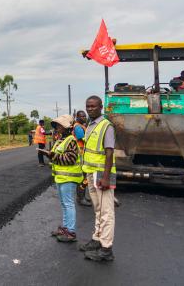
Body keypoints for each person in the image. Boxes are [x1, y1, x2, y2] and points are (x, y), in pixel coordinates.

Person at [79, 95, 117, 262]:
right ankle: (97, 239)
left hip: (102, 174)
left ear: (101, 107)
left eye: (93, 106)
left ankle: (106, 249)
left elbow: (109, 152)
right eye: (88, 106)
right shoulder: (90, 125)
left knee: (106, 212)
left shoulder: (106, 126)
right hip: (91, 172)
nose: (90, 109)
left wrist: (106, 177)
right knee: (98, 209)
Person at [46, 114, 82, 243]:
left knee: (68, 204)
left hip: (68, 178)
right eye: (57, 125)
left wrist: (52, 156)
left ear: (67, 127)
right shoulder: (61, 139)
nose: (57, 127)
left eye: (60, 125)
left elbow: (70, 159)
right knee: (64, 204)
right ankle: (65, 228)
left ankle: (70, 232)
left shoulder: (71, 140)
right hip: (61, 177)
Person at [73, 110, 92, 207]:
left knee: (85, 177)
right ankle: (80, 198)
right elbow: (83, 139)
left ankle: (82, 196)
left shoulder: (82, 126)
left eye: (85, 116)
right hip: (80, 155)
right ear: (77, 117)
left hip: (83, 154)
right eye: (82, 116)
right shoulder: (78, 127)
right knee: (83, 177)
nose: (84, 118)